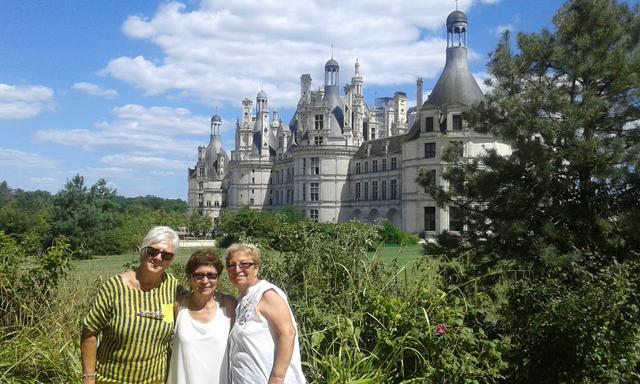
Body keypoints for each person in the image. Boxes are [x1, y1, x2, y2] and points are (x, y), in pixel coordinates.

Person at [80, 226, 180, 384]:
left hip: (157, 380)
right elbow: (89, 332)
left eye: (166, 255)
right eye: (152, 252)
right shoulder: (115, 287)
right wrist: (88, 377)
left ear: (170, 261)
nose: (158, 258)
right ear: (142, 251)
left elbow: (197, 307)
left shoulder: (172, 288)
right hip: (111, 379)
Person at [226, 243, 306, 384]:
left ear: (256, 268)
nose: (237, 269)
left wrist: (277, 378)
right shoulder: (241, 300)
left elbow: (288, 333)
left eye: (244, 264)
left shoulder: (266, 293)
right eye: (232, 265)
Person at [167, 249, 236, 384]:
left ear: (218, 278)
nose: (205, 281)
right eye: (198, 275)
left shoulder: (229, 305)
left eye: (211, 275)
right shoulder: (179, 305)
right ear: (189, 278)